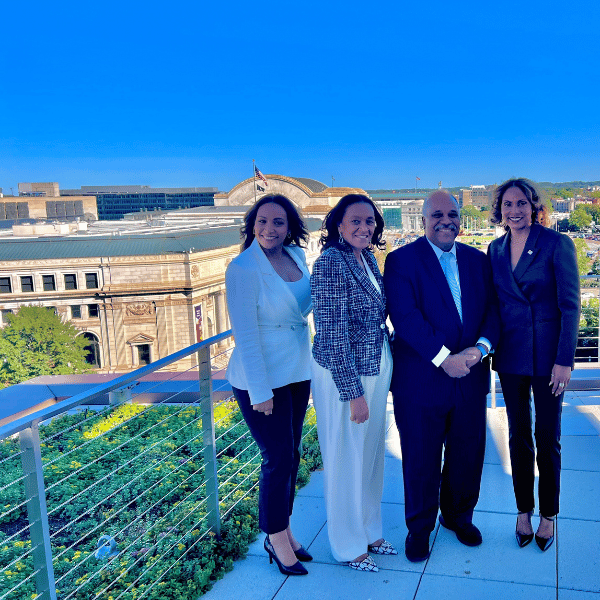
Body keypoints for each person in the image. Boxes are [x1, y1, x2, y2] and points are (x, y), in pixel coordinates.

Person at [384, 190, 499, 562]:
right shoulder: (401, 261)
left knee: (468, 455)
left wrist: (479, 349)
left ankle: (458, 517)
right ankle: (419, 528)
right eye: (437, 215)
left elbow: (493, 313)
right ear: (422, 221)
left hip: (470, 376)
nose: (445, 220)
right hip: (421, 382)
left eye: (452, 214)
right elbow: (404, 317)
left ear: (460, 220)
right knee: (421, 458)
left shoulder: (478, 261)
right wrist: (444, 357)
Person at [488, 178, 580, 552]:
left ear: (534, 206)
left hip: (547, 359)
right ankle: (523, 510)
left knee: (548, 438)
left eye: (521, 203)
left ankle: (548, 515)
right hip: (510, 357)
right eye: (508, 204)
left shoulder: (557, 243)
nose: (515, 210)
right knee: (518, 436)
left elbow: (570, 306)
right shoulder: (495, 249)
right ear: (500, 211)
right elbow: (494, 304)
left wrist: (564, 361)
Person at [225, 194, 313, 576]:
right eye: (262, 221)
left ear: (290, 226)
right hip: (260, 378)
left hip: (296, 370)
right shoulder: (243, 268)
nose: (269, 229)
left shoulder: (295, 256)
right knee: (277, 459)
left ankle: (285, 527)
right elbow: (245, 334)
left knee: (291, 455)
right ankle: (276, 538)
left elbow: (302, 310)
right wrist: (260, 392)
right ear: (252, 224)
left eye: (278, 222)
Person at [311, 194, 395, 573]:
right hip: (346, 374)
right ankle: (347, 545)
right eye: (355, 221)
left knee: (372, 454)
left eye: (369, 221)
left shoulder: (368, 259)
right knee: (346, 457)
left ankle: (369, 530)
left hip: (376, 362)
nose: (364, 228)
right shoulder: (330, 263)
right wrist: (353, 392)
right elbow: (331, 333)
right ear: (338, 225)